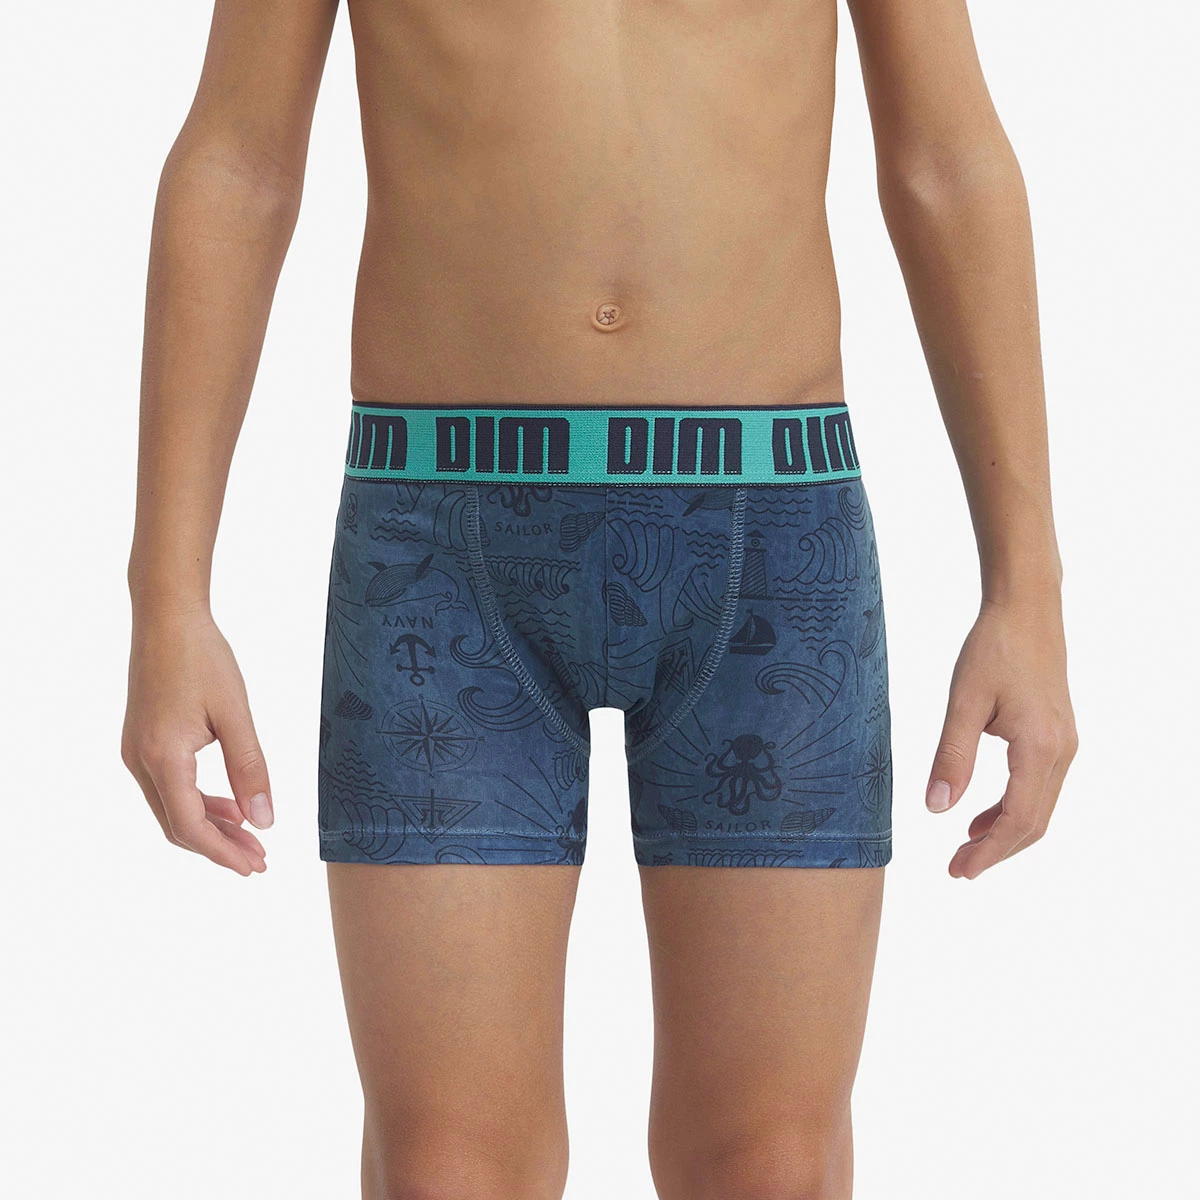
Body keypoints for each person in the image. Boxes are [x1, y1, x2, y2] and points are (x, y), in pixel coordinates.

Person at [121, 1, 1078, 1196]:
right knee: (444, 1171)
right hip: (441, 545)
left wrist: (1027, 589)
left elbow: (946, 159)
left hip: (770, 532)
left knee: (772, 1168)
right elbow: (238, 161)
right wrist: (167, 597)